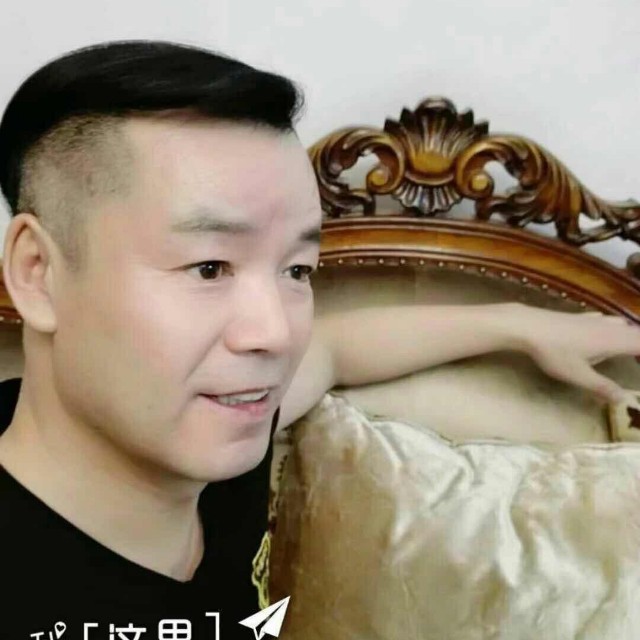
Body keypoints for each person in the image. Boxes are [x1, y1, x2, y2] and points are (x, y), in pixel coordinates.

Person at [0, 39, 638, 640]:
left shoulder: (210, 425)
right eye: (209, 268)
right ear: (38, 273)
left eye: (298, 271)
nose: (276, 335)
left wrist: (519, 325)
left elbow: (332, 348)